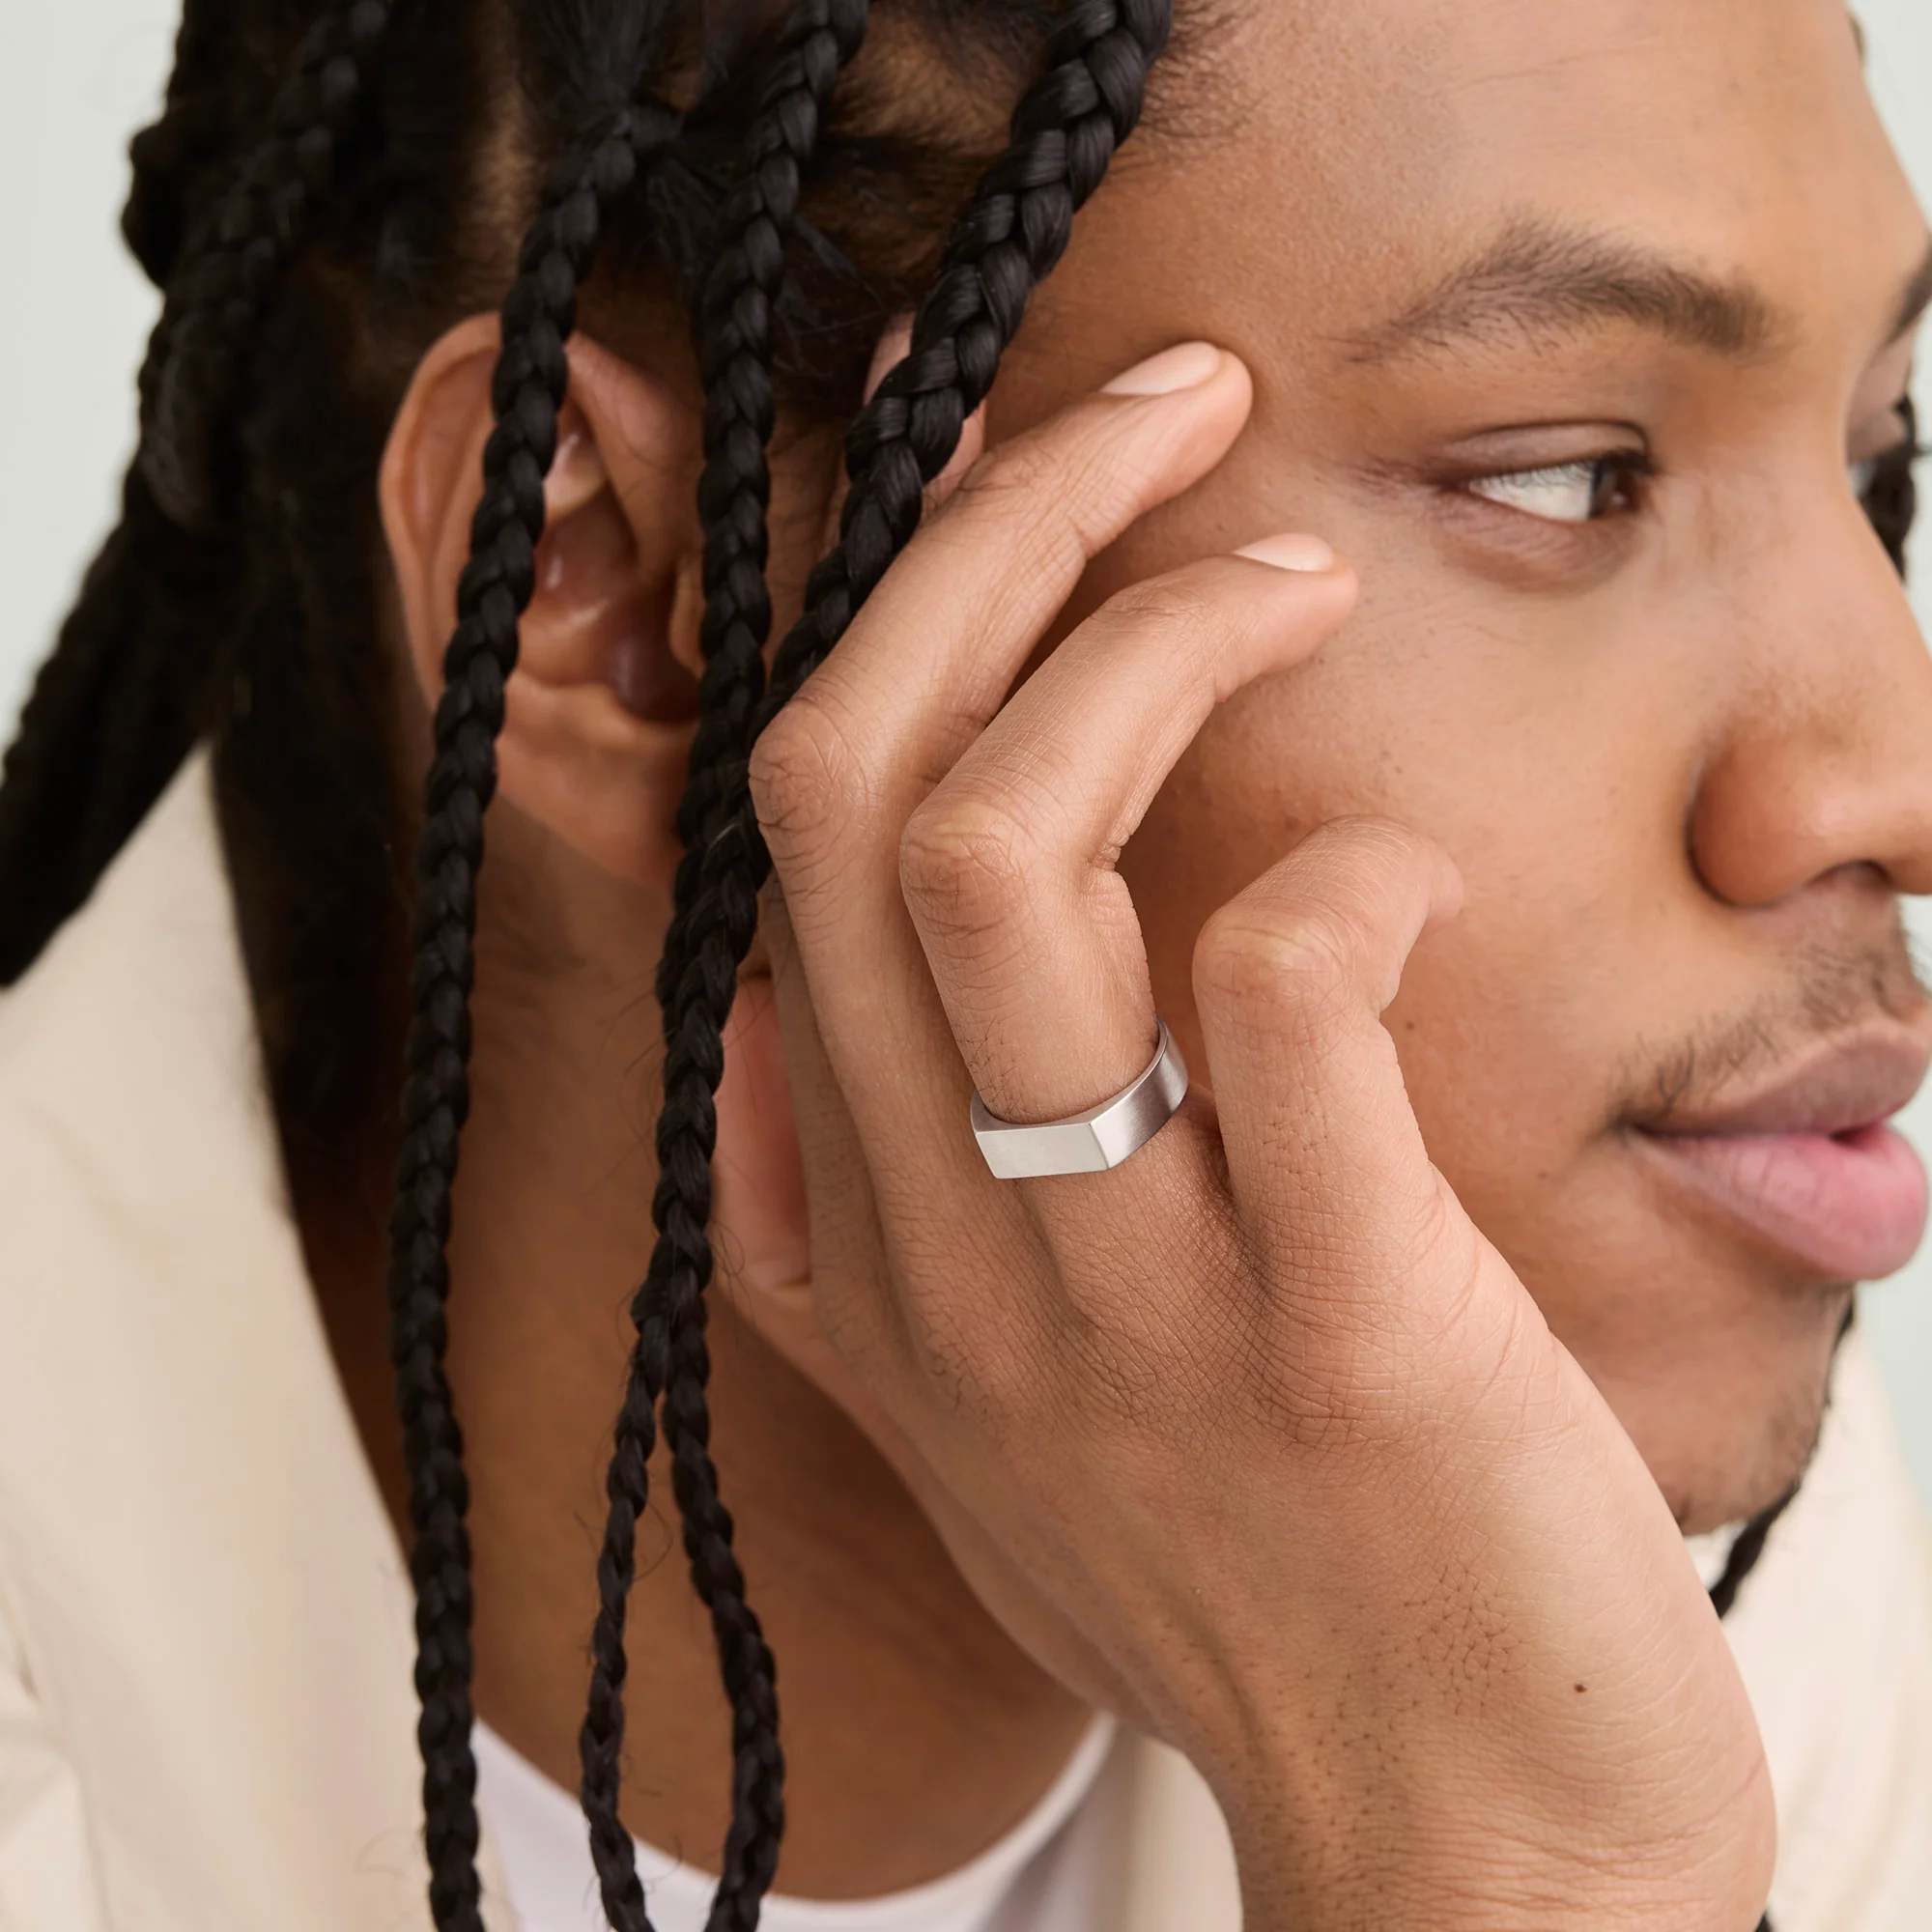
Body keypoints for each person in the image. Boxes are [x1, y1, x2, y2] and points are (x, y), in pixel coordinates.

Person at [0, 0, 1929, 1926]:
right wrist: (1508, 1870)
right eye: (1567, 474)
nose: (1892, 787)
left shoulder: (1682, 1570)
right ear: (607, 597)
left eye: (1879, 462)